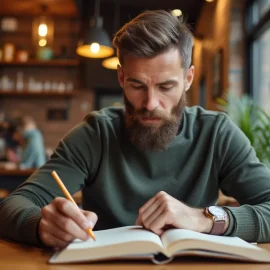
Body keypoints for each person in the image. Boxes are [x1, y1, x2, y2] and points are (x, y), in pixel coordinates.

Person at [0, 10, 270, 248]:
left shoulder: (217, 134)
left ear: (188, 79)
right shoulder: (96, 134)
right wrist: (40, 225)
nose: (150, 103)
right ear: (121, 77)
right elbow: (12, 205)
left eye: (166, 87)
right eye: (137, 85)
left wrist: (205, 218)